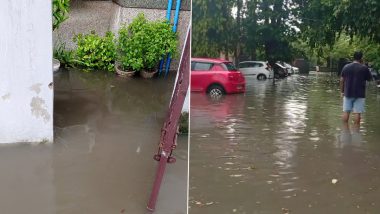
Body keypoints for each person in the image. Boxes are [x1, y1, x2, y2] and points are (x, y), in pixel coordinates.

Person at [340, 51, 372, 127]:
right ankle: (356, 132)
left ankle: (345, 130)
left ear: (353, 57)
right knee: (357, 113)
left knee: (346, 111)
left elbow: (341, 80)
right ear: (361, 58)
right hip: (360, 94)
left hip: (347, 93)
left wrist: (342, 91)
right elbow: (369, 79)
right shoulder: (364, 68)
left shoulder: (346, 67)